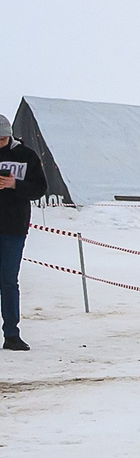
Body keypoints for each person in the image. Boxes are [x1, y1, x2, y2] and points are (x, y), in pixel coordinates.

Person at [0, 116, 49, 351]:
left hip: (13, 228)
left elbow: (40, 188)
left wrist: (14, 186)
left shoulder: (26, 156)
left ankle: (11, 334)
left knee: (8, 281)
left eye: (1, 139)